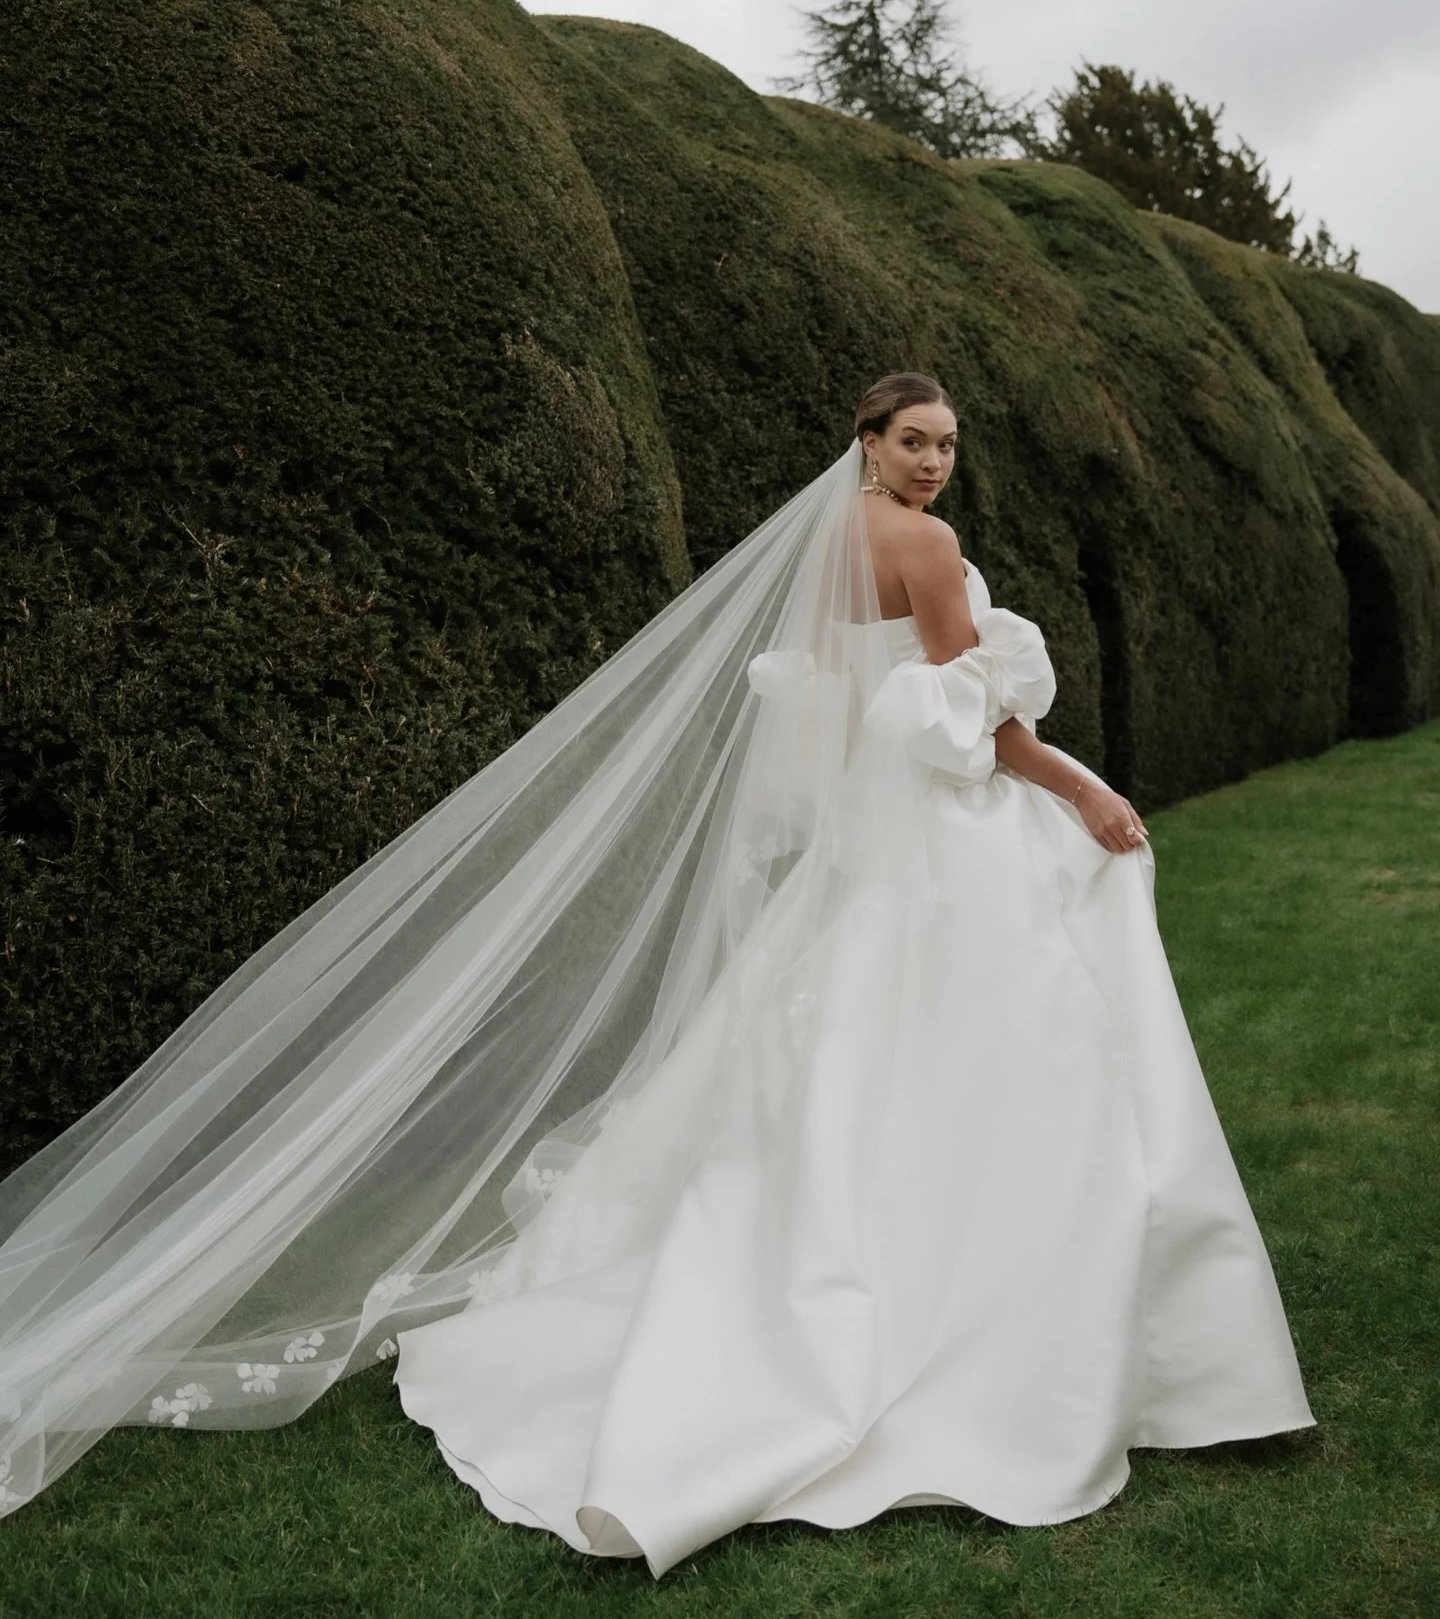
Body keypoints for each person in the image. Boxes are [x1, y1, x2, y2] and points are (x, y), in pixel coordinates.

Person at [0, 374, 1313, 1569]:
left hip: (870, 845)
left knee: (846, 1051)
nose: (934, 464)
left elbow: (836, 713)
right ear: (866, 439)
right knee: (1025, 1031)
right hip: (937, 835)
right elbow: (967, 718)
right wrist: (1087, 793)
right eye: (914, 441)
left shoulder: (819, 549)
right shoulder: (927, 550)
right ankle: (1022, 1319)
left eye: (949, 447)